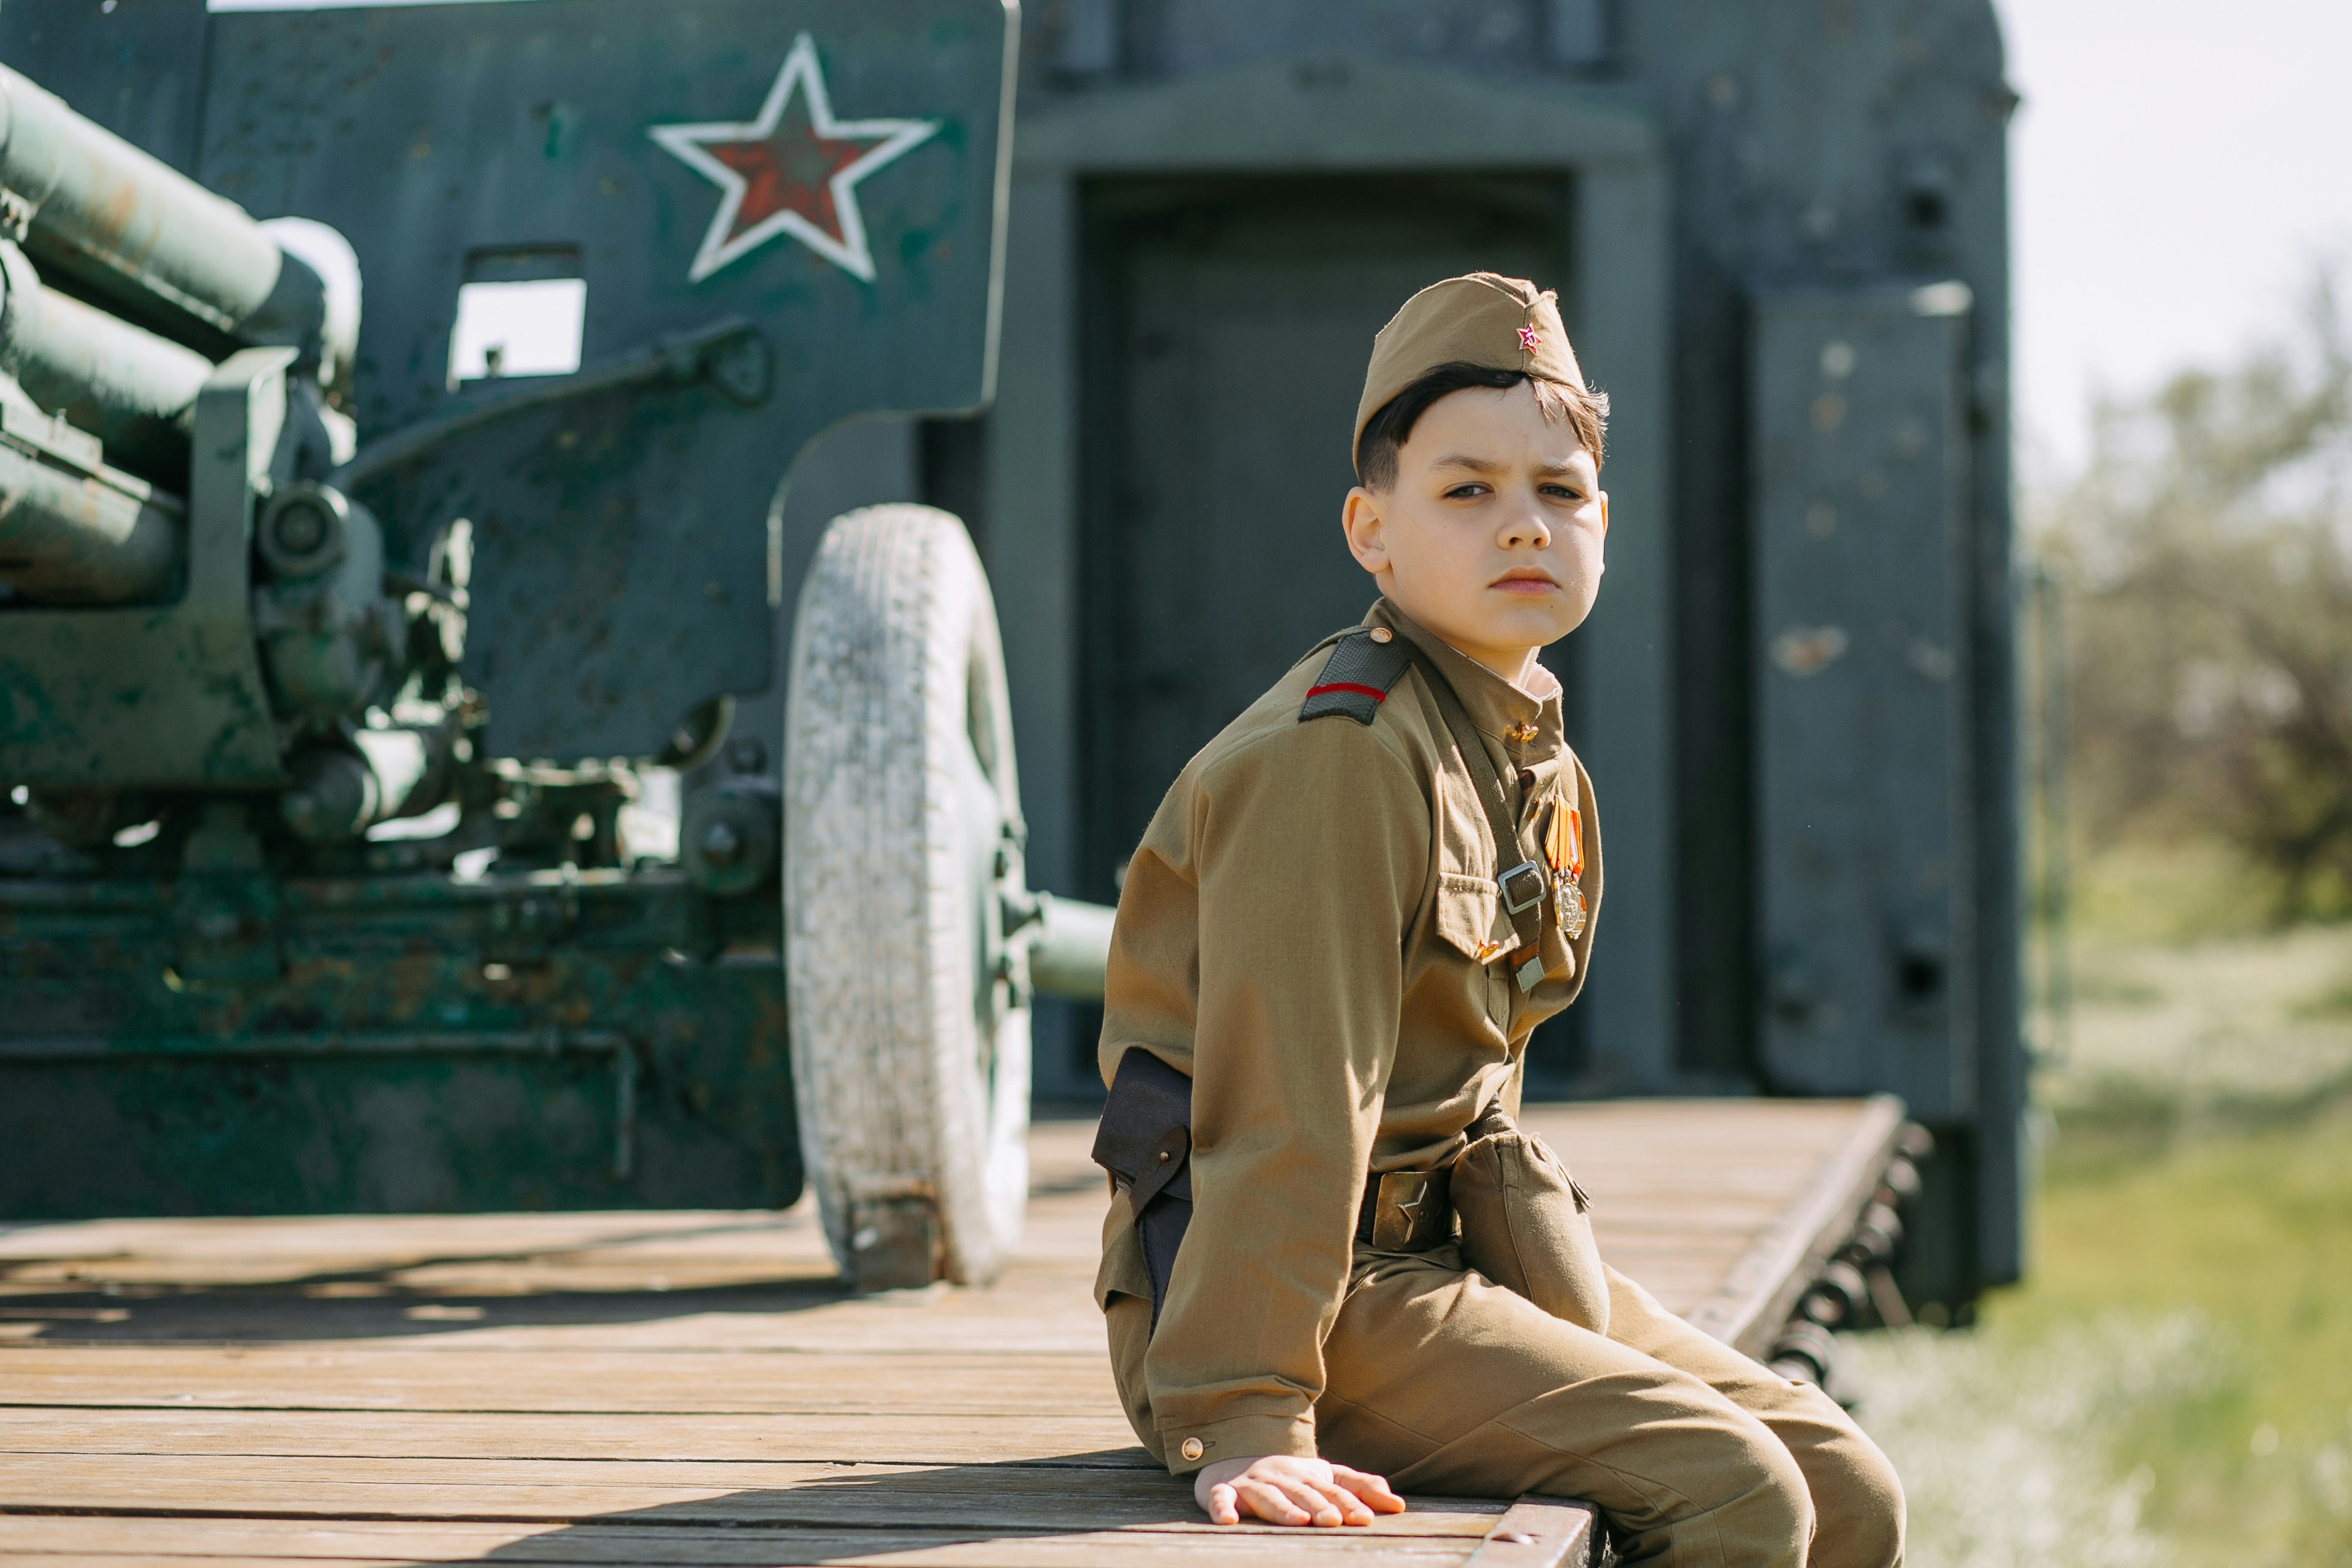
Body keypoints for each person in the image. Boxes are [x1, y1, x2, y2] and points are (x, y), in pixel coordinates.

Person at [1090, 273, 1905, 1566]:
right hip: (1301, 1302)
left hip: (1451, 1265)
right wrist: (1245, 1414)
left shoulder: (1525, 754)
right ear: (1371, 529)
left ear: (1601, 524)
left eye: (1557, 492)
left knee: (1846, 1487)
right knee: (1733, 1492)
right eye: (1465, 491)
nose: (1521, 525)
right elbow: (1287, 1104)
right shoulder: (1341, 759)